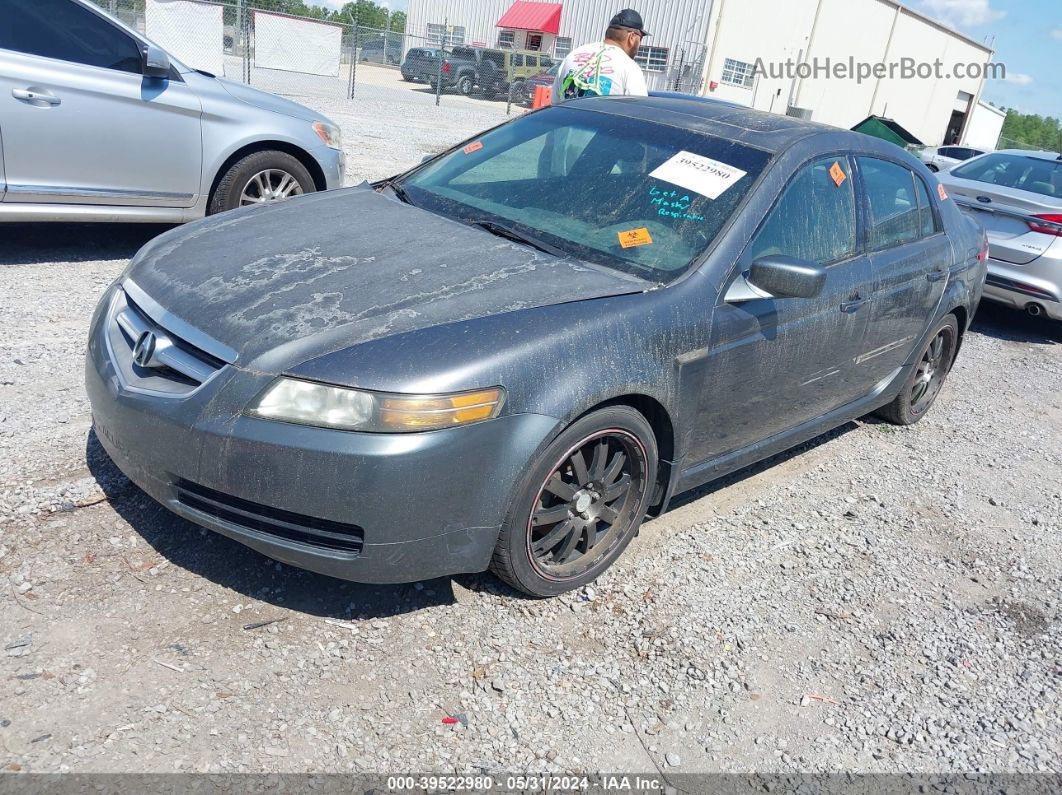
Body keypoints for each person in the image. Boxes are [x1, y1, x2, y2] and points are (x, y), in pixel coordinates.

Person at [552, 9, 650, 103]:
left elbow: (555, 103)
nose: (639, 44)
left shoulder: (572, 56)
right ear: (631, 37)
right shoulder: (629, 67)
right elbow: (639, 113)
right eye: (640, 38)